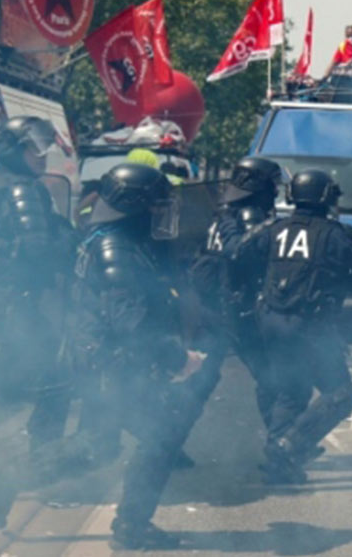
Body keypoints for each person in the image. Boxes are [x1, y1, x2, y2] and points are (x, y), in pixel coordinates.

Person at [69, 163, 205, 549]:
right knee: (161, 434)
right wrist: (177, 358)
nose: (161, 215)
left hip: (109, 360)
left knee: (103, 444)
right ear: (134, 207)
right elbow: (132, 323)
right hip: (113, 364)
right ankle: (131, 526)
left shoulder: (115, 241)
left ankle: (7, 474)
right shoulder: (116, 251)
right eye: (156, 206)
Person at [0, 117, 75, 517]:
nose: (40, 157)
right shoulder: (26, 194)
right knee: (55, 385)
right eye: (32, 149)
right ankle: (37, 469)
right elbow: (40, 250)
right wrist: (71, 243)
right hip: (18, 308)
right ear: (14, 152)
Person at [233, 169, 352, 484]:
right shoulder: (338, 234)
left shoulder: (271, 229)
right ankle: (292, 444)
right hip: (310, 324)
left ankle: (278, 465)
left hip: (270, 319)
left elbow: (239, 262)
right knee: (341, 391)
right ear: (327, 198)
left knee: (291, 390)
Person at [189, 156, 284, 431]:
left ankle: (164, 443)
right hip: (234, 312)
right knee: (270, 378)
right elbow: (237, 251)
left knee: (200, 379)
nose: (275, 192)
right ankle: (281, 443)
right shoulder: (247, 216)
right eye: (272, 186)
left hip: (214, 309)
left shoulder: (223, 213)